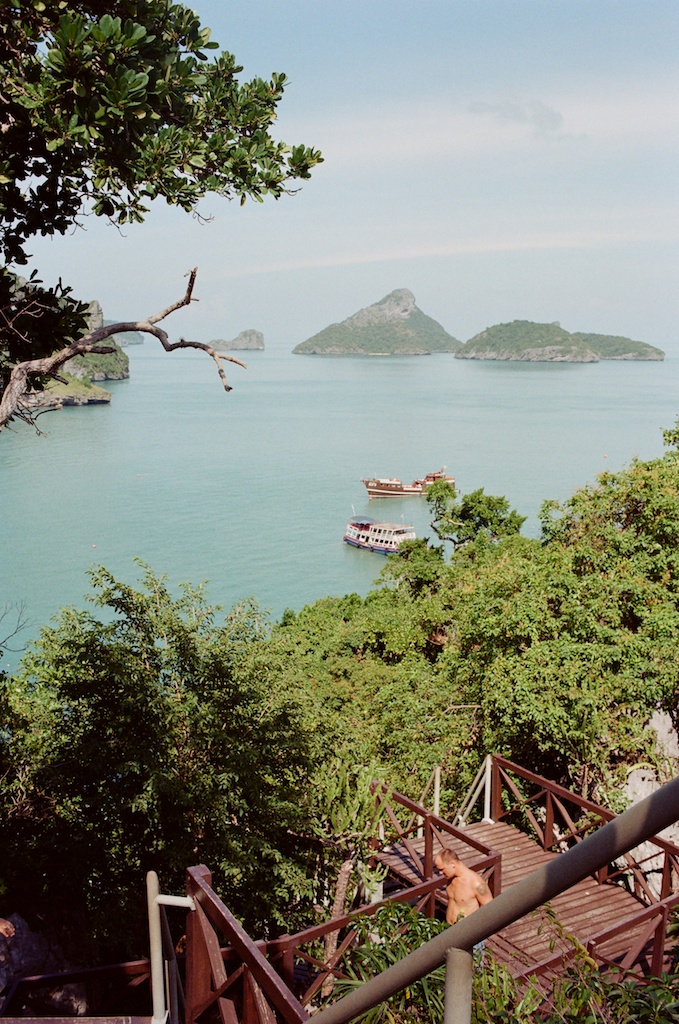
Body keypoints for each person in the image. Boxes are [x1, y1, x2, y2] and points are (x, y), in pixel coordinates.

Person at [435, 847, 493, 924]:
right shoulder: (451, 879)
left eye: (442, 869)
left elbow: (491, 909)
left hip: (468, 931)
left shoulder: (476, 884)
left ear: (452, 864)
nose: (440, 873)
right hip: (448, 929)